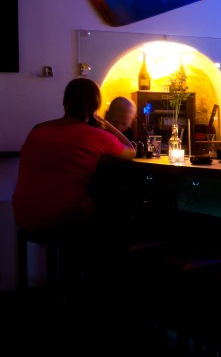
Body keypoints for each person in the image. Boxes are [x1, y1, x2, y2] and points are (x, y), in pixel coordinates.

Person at [12, 78, 137, 311]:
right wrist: (105, 124)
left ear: (64, 102)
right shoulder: (94, 135)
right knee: (115, 218)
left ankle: (76, 286)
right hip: (63, 219)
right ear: (96, 107)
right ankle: (101, 294)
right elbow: (131, 150)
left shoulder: (38, 129)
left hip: (23, 214)